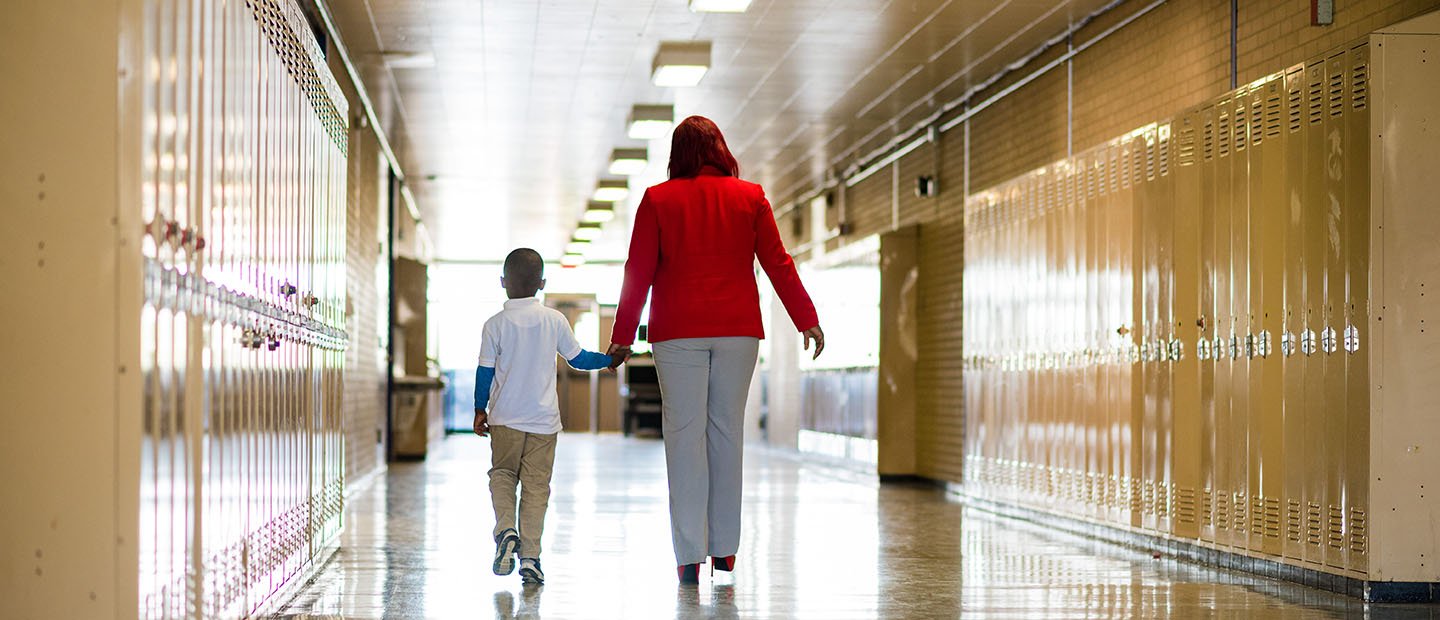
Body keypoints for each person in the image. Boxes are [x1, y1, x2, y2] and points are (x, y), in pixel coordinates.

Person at [608, 116, 825, 585]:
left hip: (677, 331)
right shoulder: (751, 197)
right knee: (727, 434)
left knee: (684, 436)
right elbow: (777, 263)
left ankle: (688, 554)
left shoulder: (658, 199)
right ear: (720, 150)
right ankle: (724, 550)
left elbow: (637, 270)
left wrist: (623, 335)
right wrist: (806, 317)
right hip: (737, 331)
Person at [474, 248, 614, 584]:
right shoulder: (554, 320)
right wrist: (610, 360)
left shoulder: (495, 324)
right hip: (544, 422)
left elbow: (484, 373)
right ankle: (531, 559)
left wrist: (480, 410)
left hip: (505, 418)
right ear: (542, 283)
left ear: (503, 282)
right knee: (537, 488)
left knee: (503, 475)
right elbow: (578, 359)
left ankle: (506, 530)